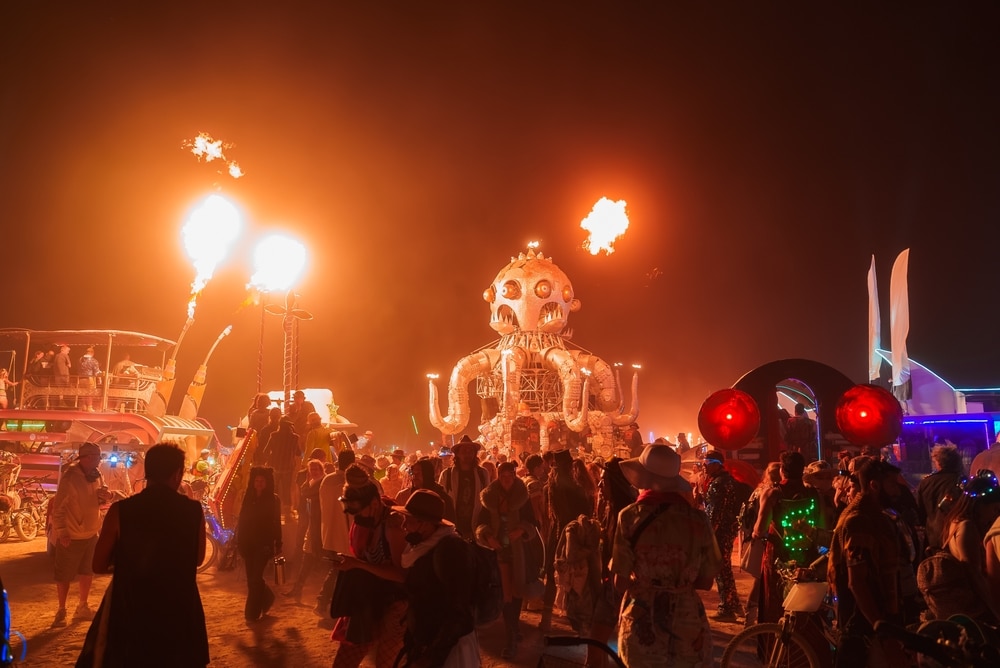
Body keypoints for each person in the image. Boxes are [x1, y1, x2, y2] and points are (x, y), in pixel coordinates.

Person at [79, 443, 209, 667]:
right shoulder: (193, 511)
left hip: (131, 613)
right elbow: (197, 560)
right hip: (179, 613)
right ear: (178, 474)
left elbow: (98, 565)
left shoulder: (120, 511)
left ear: (147, 472)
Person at [612, 443, 720, 668]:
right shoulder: (698, 520)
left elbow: (619, 581)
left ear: (644, 478)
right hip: (687, 618)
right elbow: (706, 581)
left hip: (642, 616)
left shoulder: (629, 517)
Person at [828, 458, 907, 668]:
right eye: (892, 484)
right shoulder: (859, 521)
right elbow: (857, 583)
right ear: (874, 485)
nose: (898, 491)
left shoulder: (876, 518)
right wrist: (881, 628)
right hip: (864, 626)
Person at [328, 465, 408, 667]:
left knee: (385, 664)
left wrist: (358, 565)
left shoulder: (393, 525)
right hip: (369, 600)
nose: (355, 517)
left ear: (374, 503)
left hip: (398, 603)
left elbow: (401, 576)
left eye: (358, 510)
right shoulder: (364, 522)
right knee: (343, 663)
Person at [393, 490, 480, 666]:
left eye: (408, 520)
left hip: (450, 650)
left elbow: (459, 611)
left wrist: (434, 656)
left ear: (424, 524)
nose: (404, 526)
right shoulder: (422, 548)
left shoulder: (449, 551)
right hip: (428, 642)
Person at [475, 460, 536, 659]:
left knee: (516, 591)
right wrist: (488, 536)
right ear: (498, 477)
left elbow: (533, 523)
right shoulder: (489, 497)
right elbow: (480, 523)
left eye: (509, 476)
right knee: (506, 594)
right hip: (498, 552)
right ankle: (511, 636)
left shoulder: (522, 496)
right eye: (502, 476)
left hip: (518, 553)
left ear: (514, 476)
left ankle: (513, 630)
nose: (506, 480)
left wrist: (521, 530)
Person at [50, 442, 109, 627]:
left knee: (87, 571)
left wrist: (105, 496)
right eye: (98, 457)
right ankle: (62, 609)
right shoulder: (70, 479)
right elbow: (58, 508)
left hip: (91, 533)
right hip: (72, 535)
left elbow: (98, 499)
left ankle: (82, 606)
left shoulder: (96, 475)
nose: (100, 460)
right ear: (88, 458)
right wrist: (62, 532)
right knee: (64, 574)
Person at [702, 448, 744, 621]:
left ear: (717, 465)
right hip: (726, 530)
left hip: (721, 532)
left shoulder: (719, 483)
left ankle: (726, 609)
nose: (704, 467)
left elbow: (715, 513)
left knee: (720, 569)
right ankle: (733, 604)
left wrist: (708, 535)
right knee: (724, 569)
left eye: (707, 464)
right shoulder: (722, 480)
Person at [236, 467, 283, 623]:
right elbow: (242, 519)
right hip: (248, 543)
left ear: (267, 482)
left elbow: (276, 523)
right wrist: (239, 539)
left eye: (262, 481)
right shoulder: (248, 497)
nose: (259, 483)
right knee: (251, 579)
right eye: (257, 480)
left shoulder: (274, 499)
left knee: (256, 578)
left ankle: (252, 613)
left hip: (264, 544)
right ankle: (267, 597)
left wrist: (278, 542)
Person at [285, 458, 327, 603]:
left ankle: (322, 594)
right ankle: (299, 587)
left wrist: (307, 486)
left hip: (321, 525)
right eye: (311, 469)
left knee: (320, 558)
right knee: (308, 555)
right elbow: (304, 492)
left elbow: (307, 493)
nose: (314, 472)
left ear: (321, 470)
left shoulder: (322, 483)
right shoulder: (312, 482)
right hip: (313, 524)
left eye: (316, 469)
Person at [916, 443, 965, 551]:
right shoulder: (961, 481)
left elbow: (920, 513)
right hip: (957, 536)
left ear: (938, 462)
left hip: (933, 537)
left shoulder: (926, 483)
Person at [438, 435, 488, 539]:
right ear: (457, 454)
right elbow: (441, 501)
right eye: (464, 451)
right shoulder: (446, 475)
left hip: (476, 527)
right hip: (453, 528)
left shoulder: (482, 474)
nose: (467, 454)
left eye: (470, 451)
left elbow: (487, 501)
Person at [264, 418, 300, 515]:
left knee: (273, 488)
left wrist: (269, 460)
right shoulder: (295, 438)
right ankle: (287, 512)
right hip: (288, 467)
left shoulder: (274, 435)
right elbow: (298, 452)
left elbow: (266, 451)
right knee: (286, 489)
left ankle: (272, 509)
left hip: (274, 466)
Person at [78, 347, 101, 412]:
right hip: (90, 378)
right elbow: (96, 372)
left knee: (83, 392)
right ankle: (89, 407)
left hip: (80, 378)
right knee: (90, 392)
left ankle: (83, 406)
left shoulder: (80, 359)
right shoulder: (93, 361)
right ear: (92, 353)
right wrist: (99, 378)